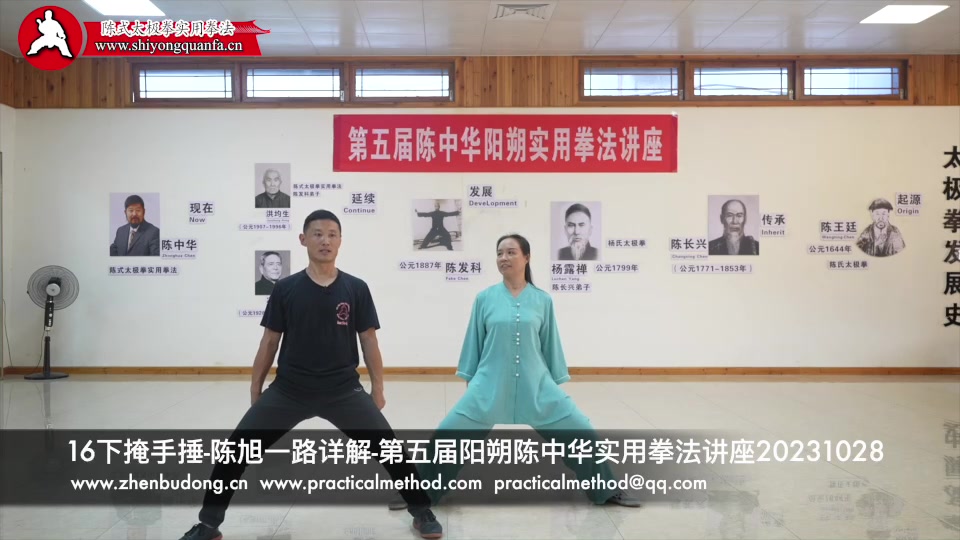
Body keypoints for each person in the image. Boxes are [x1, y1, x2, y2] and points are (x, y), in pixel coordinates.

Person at [179, 210, 442, 540]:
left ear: (341, 241)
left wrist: (378, 387)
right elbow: (270, 341)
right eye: (317, 233)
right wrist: (256, 386)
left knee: (390, 450)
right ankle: (208, 524)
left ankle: (421, 511)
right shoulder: (286, 288)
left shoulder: (356, 288)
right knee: (236, 450)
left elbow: (369, 340)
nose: (325, 240)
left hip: (343, 390)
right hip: (290, 390)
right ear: (303, 239)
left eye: (332, 234)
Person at [390, 233, 641, 510]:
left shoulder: (542, 300)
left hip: (537, 386)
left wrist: (554, 386)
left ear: (526, 257)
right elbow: (474, 342)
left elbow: (550, 343)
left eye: (511, 252)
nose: (503, 258)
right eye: (499, 253)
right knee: (447, 436)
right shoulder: (484, 298)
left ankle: (606, 490)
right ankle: (420, 494)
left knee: (582, 431)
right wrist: (472, 384)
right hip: (489, 386)